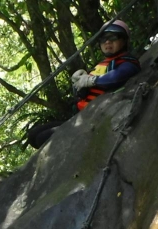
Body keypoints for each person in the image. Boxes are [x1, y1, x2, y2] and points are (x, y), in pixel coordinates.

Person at [26, 20, 141, 149]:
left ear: (124, 41)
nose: (107, 42)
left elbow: (118, 76)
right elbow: (83, 94)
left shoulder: (128, 63)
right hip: (82, 115)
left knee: (42, 138)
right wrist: (78, 84)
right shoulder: (100, 66)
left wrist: (93, 80)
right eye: (104, 39)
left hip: (98, 118)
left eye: (113, 37)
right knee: (33, 135)